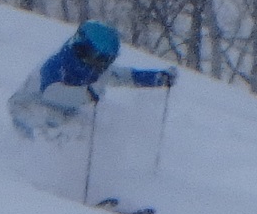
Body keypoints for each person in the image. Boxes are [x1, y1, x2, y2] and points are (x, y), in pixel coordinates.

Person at [10, 19, 152, 136]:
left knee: (89, 128)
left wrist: (156, 78)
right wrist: (86, 95)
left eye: (105, 61)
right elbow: (51, 92)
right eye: (95, 58)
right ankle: (40, 164)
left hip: (63, 111)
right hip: (28, 107)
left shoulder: (94, 69)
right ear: (83, 48)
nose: (98, 65)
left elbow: (124, 76)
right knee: (65, 131)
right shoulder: (58, 64)